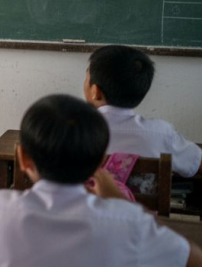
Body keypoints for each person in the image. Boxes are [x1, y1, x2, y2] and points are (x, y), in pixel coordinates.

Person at [0, 94, 202, 267]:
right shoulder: (129, 224)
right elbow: (194, 264)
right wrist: (122, 204)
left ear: (22, 159)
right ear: (100, 164)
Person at [84, 44, 201, 177]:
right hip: (136, 199)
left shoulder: (67, 130)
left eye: (86, 78)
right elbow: (197, 164)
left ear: (95, 91)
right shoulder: (161, 134)